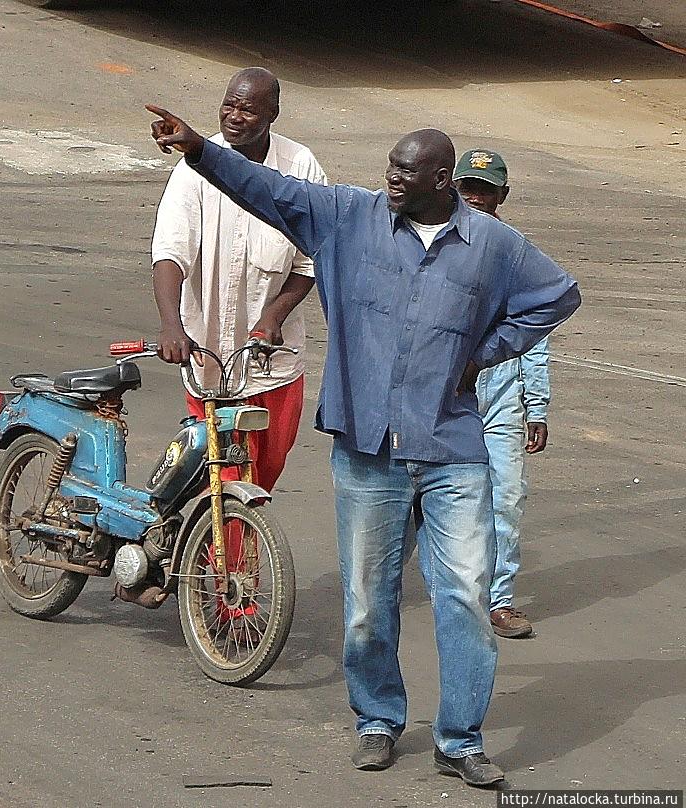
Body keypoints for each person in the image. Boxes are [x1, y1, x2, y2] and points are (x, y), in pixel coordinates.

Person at [145, 105, 581, 786]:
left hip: (452, 446)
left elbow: (557, 295)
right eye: (391, 170)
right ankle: (378, 719)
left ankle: (460, 739)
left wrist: (487, 352)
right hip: (367, 446)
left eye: (408, 173)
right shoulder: (349, 217)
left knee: (465, 594)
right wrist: (199, 149)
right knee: (368, 600)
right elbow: (269, 191)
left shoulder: (493, 244)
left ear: (443, 177)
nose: (394, 182)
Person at [150, 67, 327, 494]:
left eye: (247, 109)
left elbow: (310, 261)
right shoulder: (194, 166)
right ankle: (210, 559)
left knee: (259, 481)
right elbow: (169, 253)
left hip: (272, 367)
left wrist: (274, 314)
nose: (233, 116)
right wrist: (172, 326)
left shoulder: (300, 166)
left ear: (273, 113)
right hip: (207, 361)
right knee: (217, 481)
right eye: (228, 104)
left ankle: (232, 557)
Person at [453, 149, 550, 639]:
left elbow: (536, 329)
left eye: (485, 191)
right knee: (424, 494)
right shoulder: (432, 243)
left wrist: (537, 404)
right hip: (446, 392)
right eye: (467, 187)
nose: (474, 197)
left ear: (502, 197)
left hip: (501, 396)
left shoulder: (517, 253)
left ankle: (500, 598)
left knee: (506, 496)